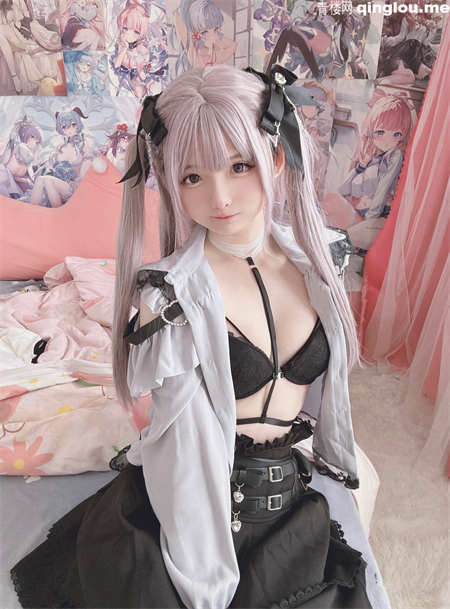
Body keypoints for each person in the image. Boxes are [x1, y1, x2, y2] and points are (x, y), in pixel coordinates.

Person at [10, 65, 387, 608]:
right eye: (192, 177)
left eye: (239, 166)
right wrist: (204, 586)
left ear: (275, 160)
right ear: (170, 182)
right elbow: (183, 456)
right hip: (198, 512)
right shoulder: (169, 298)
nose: (220, 196)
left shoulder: (320, 265)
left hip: (289, 501)